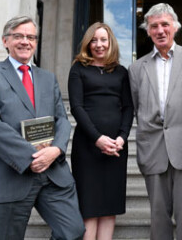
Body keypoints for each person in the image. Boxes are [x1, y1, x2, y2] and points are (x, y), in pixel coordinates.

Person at [0, 15, 85, 240]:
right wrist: (33, 156)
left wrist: (56, 150)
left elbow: (61, 119)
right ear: (5, 41)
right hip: (11, 172)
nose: (26, 41)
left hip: (53, 173)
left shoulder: (47, 78)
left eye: (31, 37)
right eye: (19, 36)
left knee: (72, 232)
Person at [128, 3, 182, 240]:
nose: (160, 30)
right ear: (148, 30)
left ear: (175, 27)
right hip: (152, 150)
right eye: (154, 26)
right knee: (158, 216)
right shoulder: (136, 68)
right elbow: (136, 107)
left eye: (165, 24)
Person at [68, 22, 134, 240]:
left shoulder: (121, 72)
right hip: (88, 147)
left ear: (110, 42)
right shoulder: (79, 68)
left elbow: (128, 107)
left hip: (116, 147)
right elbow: (77, 107)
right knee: (90, 207)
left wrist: (122, 138)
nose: (99, 45)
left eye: (103, 40)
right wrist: (97, 139)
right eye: (94, 40)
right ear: (88, 43)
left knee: (109, 206)